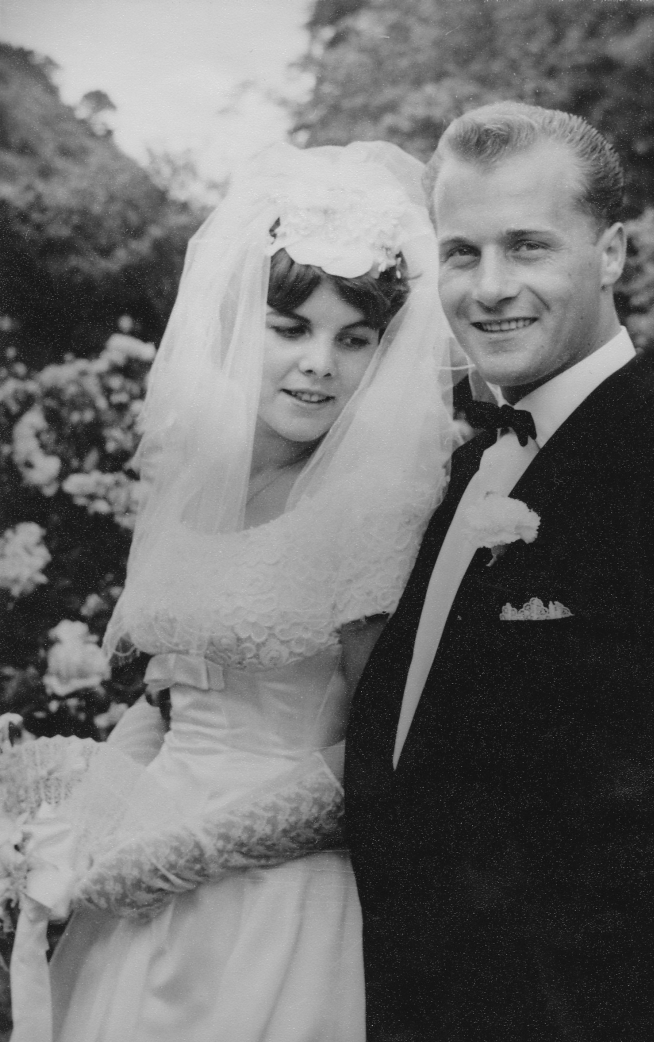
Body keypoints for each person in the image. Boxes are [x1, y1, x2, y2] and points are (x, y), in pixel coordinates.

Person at [344, 102, 654, 1042]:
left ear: (613, 252)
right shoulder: (460, 469)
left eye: (529, 246)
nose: (489, 287)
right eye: (461, 253)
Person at [23, 141, 456, 1042]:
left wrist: (190, 853)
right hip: (134, 879)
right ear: (237, 321)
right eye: (290, 328)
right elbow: (167, 700)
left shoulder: (375, 508)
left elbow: (377, 759)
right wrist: (79, 827)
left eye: (354, 339)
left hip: (274, 900)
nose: (319, 366)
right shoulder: (189, 486)